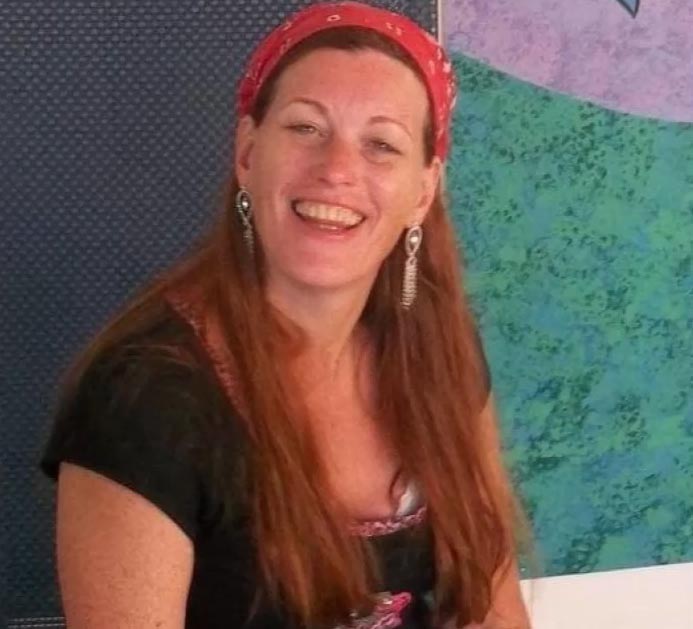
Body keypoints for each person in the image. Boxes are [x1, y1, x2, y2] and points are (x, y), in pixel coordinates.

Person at [41, 2, 531, 628]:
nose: (337, 171)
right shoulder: (143, 396)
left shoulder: (440, 351)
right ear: (248, 153)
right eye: (305, 128)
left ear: (423, 192)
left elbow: (494, 608)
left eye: (381, 144)